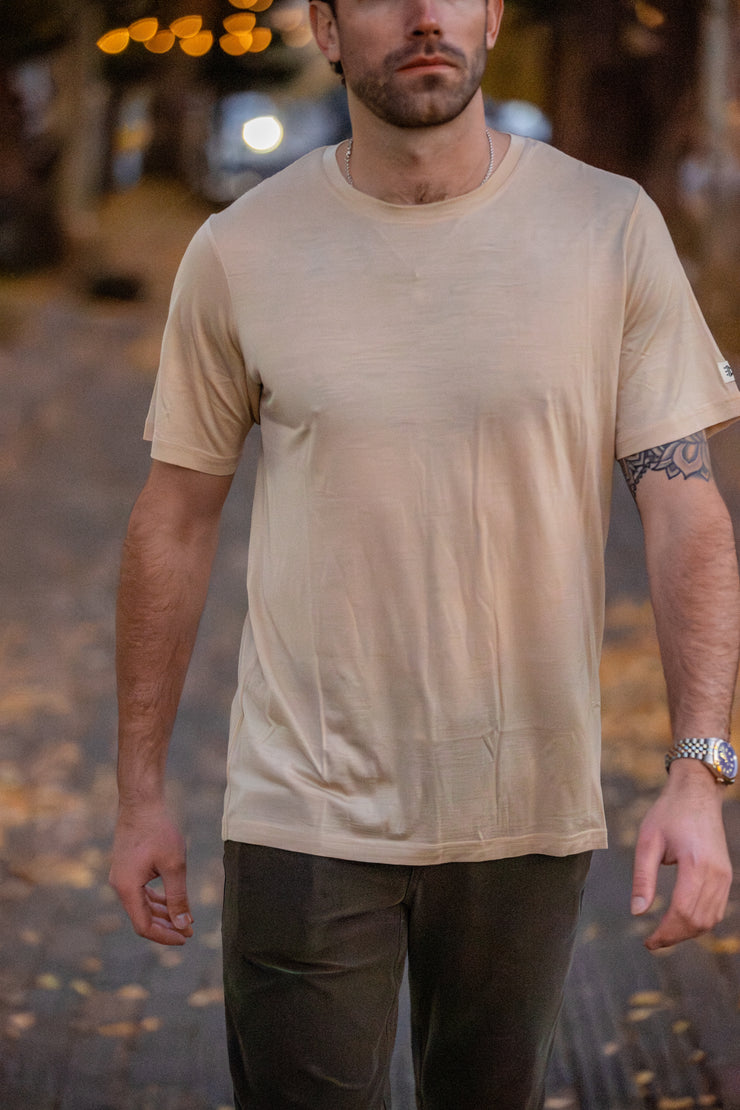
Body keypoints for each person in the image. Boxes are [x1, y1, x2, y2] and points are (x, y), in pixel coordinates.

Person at [109, 0, 740, 1106]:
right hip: (302, 809)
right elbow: (173, 517)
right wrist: (136, 792)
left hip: (526, 808)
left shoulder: (608, 228)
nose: (420, 17)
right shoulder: (241, 248)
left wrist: (699, 770)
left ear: (492, 16)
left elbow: (684, 507)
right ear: (327, 25)